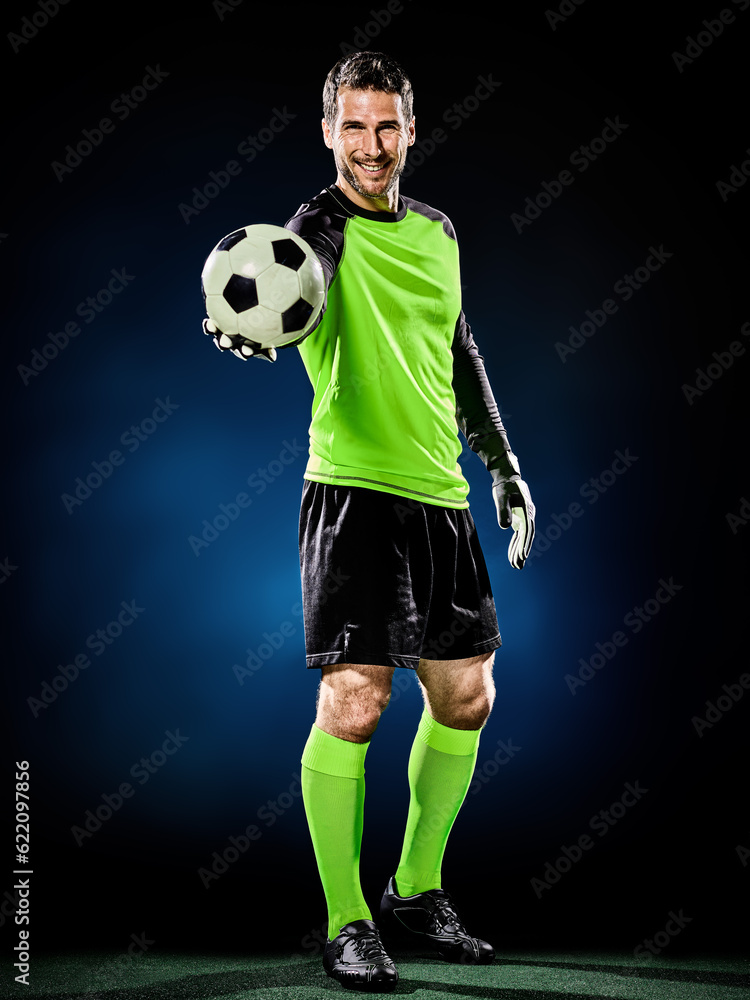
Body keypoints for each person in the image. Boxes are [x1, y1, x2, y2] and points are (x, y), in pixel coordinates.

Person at [204, 51, 535, 992]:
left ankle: (415, 892)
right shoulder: (314, 234)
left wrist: (504, 465)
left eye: (387, 126)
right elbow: (286, 287)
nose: (371, 146)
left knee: (467, 700)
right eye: (353, 126)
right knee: (356, 700)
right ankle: (346, 921)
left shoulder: (439, 233)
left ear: (412, 130)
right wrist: (250, 330)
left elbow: (460, 352)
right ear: (327, 132)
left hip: (443, 499)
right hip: (352, 497)